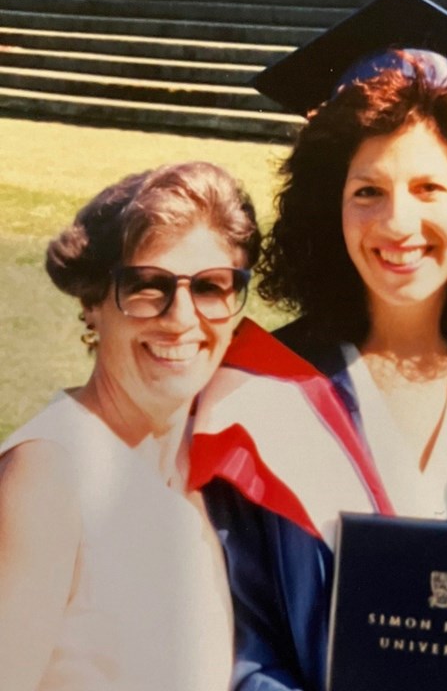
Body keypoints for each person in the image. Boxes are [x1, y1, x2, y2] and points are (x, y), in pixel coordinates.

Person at [189, 0, 447, 690]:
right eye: (367, 191)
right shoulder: (258, 389)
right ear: (329, 208)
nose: (398, 224)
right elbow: (237, 640)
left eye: (431, 189)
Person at [0, 161, 260, 691]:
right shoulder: (49, 476)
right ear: (92, 303)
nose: (181, 318)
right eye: (146, 286)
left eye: (210, 287)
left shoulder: (205, 466)